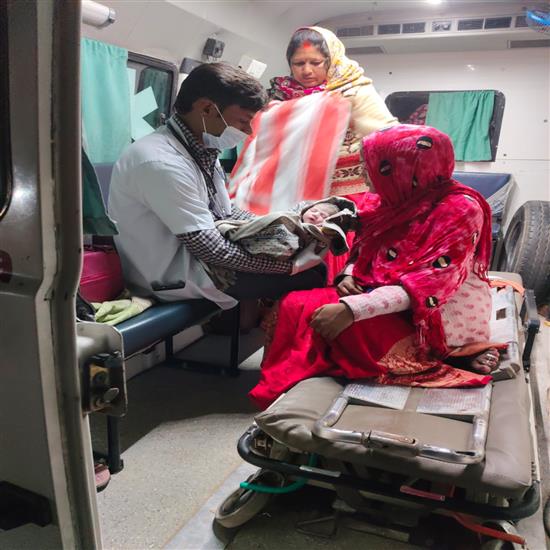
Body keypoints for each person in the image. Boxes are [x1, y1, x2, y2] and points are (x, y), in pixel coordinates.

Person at [249, 125, 502, 410]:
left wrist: (351, 310)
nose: (363, 174)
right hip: (379, 294)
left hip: (434, 316)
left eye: (370, 166)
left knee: (344, 327)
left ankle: (448, 355)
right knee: (294, 304)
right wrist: (348, 274)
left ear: (401, 168)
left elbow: (429, 285)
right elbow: (366, 246)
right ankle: (293, 385)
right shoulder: (392, 198)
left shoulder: (460, 209)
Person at [108, 63, 326, 310]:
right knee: (313, 274)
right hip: (175, 276)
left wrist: (283, 225)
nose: (248, 131)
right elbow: (212, 249)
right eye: (243, 121)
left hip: (199, 260)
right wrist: (288, 266)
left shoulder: (200, 149)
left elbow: (226, 211)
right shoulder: (159, 161)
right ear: (207, 109)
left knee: (304, 257)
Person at [267, 26, 398, 281]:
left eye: (315, 62)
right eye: (298, 63)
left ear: (331, 60)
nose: (307, 70)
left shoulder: (354, 90)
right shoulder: (283, 95)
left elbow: (388, 137)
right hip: (298, 188)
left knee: (333, 243)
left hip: (348, 189)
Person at [206, 197, 357, 289]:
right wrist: (290, 266)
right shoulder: (290, 219)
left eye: (323, 216)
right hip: (233, 258)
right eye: (314, 211)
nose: (316, 215)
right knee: (312, 279)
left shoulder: (317, 236)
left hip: (260, 254)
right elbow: (274, 224)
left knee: (321, 269)